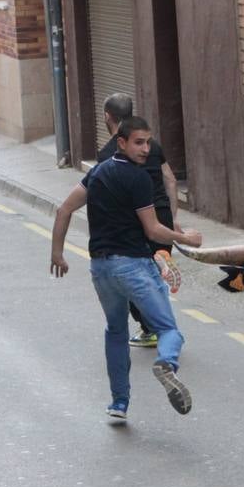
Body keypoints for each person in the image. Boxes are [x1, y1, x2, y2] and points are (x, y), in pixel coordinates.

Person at [50, 116, 203, 421]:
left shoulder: (97, 174)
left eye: (148, 142)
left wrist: (58, 253)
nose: (146, 149)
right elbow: (152, 230)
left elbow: (64, 209)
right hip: (133, 266)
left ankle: (119, 403)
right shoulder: (139, 179)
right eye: (139, 142)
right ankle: (166, 364)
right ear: (121, 142)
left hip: (101, 269)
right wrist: (184, 238)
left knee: (116, 332)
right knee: (169, 330)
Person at [95, 94, 183, 346]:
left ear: (107, 117)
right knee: (153, 276)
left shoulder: (108, 153)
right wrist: (173, 217)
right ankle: (163, 320)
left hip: (136, 222)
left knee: (130, 276)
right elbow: (170, 179)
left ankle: (151, 328)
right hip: (162, 214)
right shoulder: (152, 145)